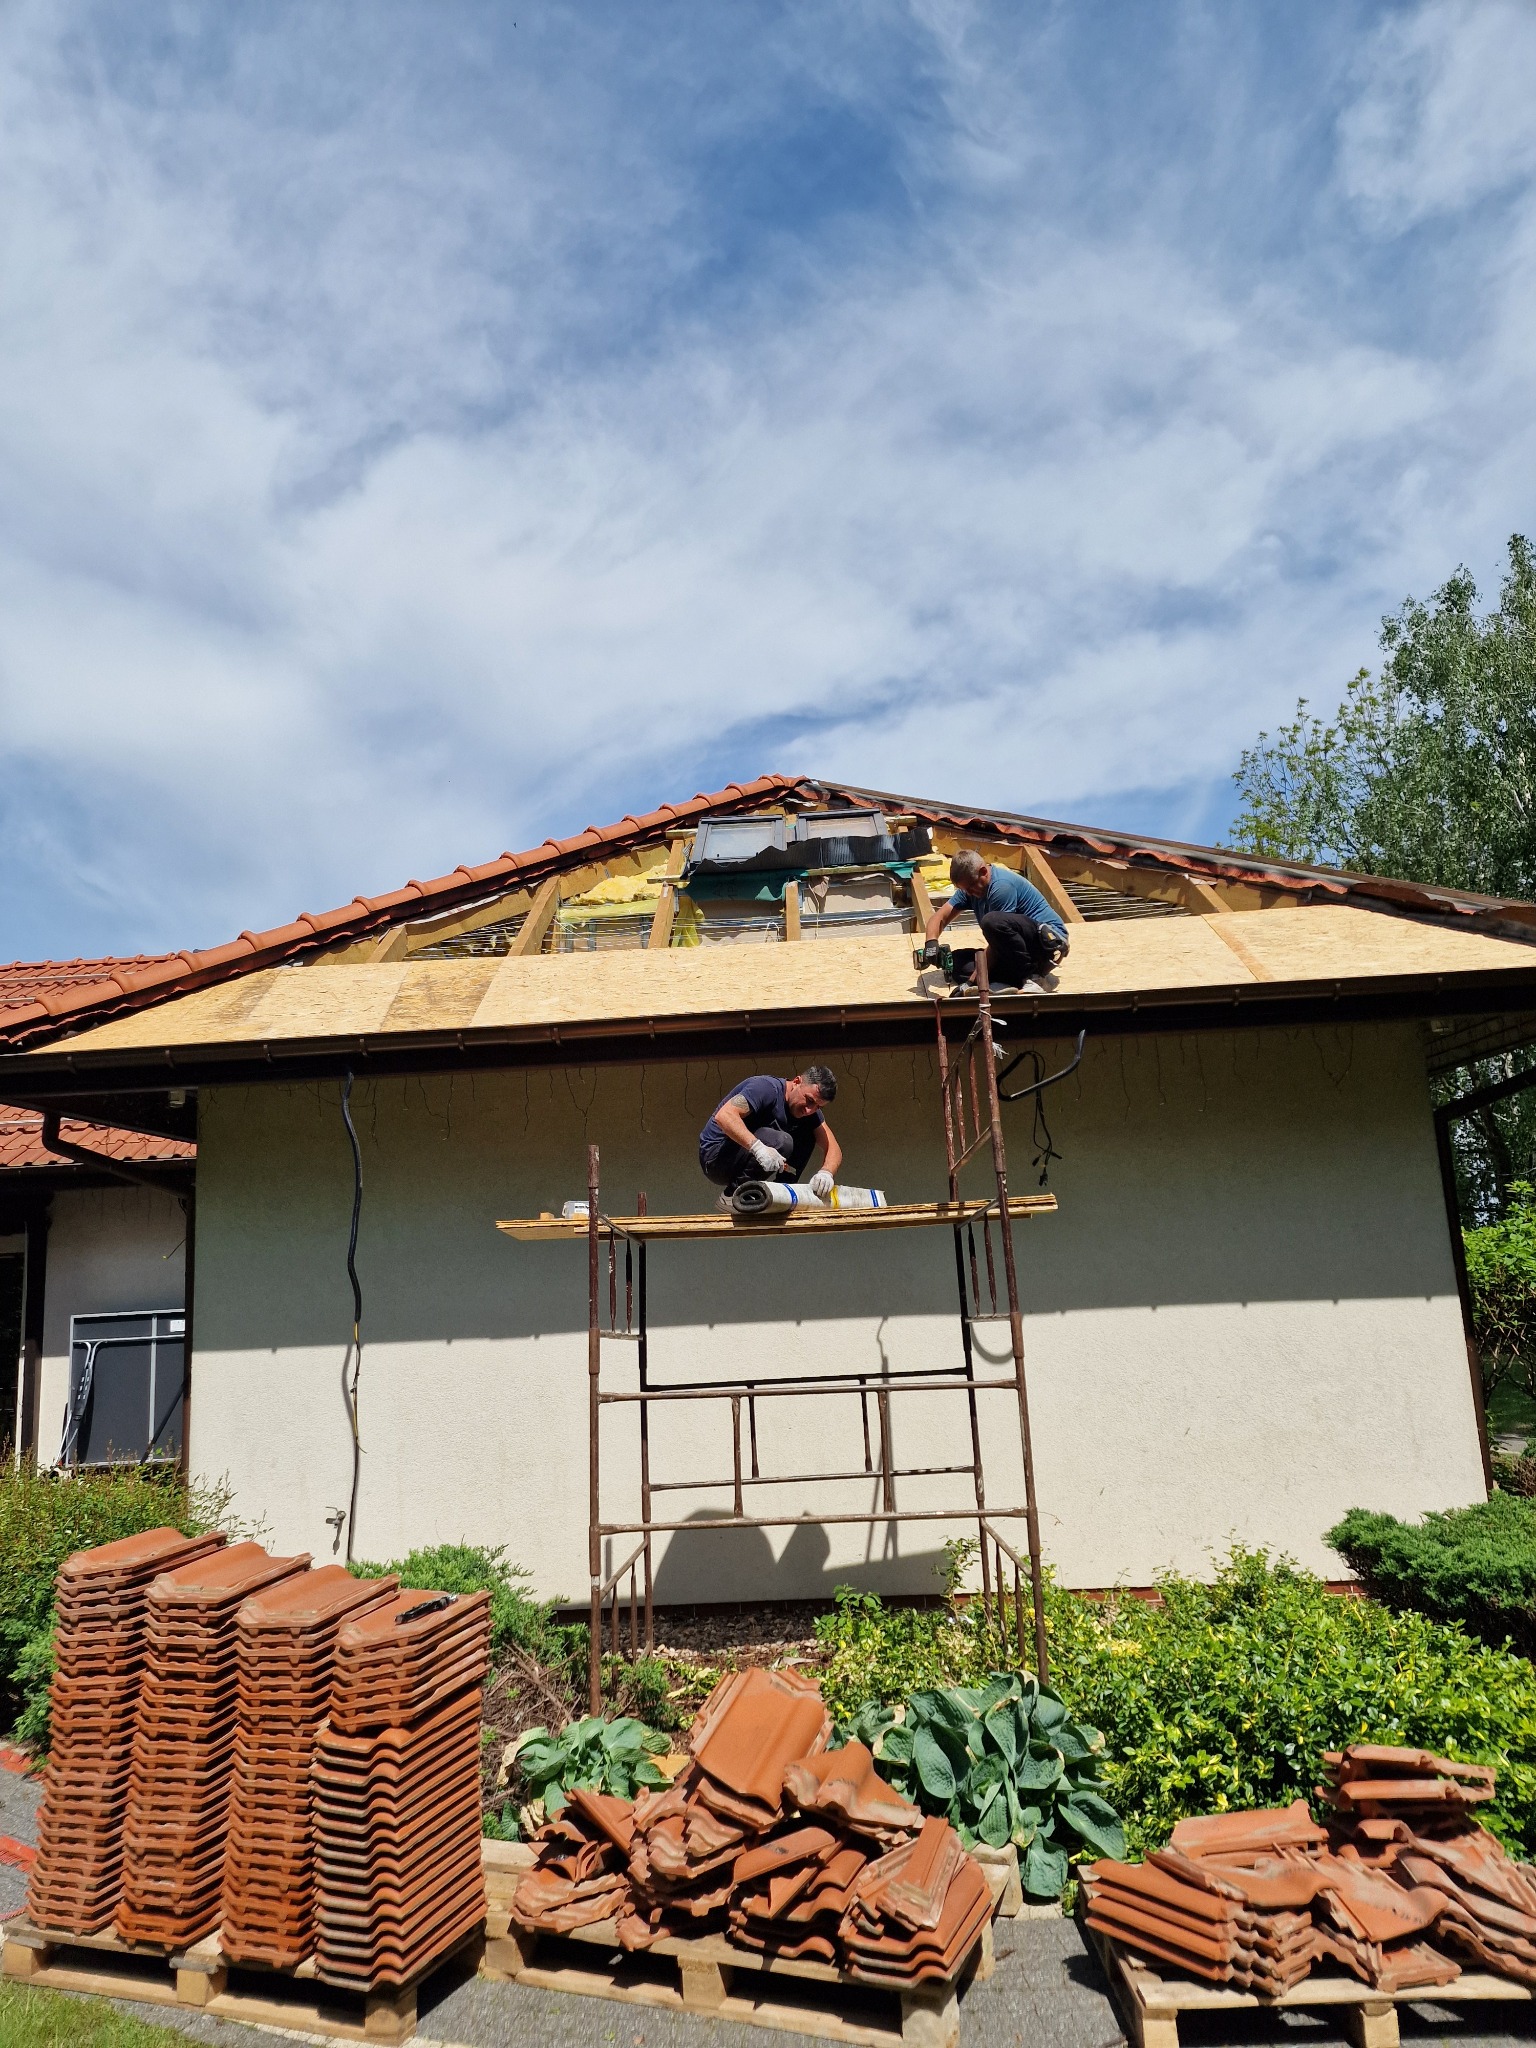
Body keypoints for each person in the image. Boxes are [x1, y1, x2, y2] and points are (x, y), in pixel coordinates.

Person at [923, 850, 1070, 993]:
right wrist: (931, 943)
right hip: (1020, 951)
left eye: (971, 886)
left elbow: (997, 940)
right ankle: (1014, 981)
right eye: (965, 890)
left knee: (991, 921)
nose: (969, 893)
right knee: (956, 964)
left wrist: (971, 983)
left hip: (1047, 944)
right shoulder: (970, 889)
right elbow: (940, 917)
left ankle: (1036, 979)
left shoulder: (1001, 886)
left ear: (983, 872)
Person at [699, 1067, 844, 1196]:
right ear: (797, 1082)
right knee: (782, 1141)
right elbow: (724, 1116)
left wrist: (826, 1173)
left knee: (807, 1138)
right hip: (716, 1158)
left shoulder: (811, 1113)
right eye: (809, 1100)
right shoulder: (765, 1088)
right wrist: (757, 1148)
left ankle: (784, 1193)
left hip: (747, 1157)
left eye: (819, 1107)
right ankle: (734, 1195)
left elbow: (833, 1148)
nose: (809, 1110)